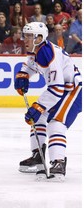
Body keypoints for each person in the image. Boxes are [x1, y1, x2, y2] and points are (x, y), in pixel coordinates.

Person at [14, 22, 82, 181]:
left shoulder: (47, 53)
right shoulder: (35, 49)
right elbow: (31, 64)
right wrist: (23, 75)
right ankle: (38, 155)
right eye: (26, 35)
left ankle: (58, 162)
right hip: (61, 90)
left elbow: (57, 87)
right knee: (38, 118)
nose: (25, 39)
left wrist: (38, 106)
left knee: (56, 123)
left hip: (73, 90)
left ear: (39, 37)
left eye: (29, 36)